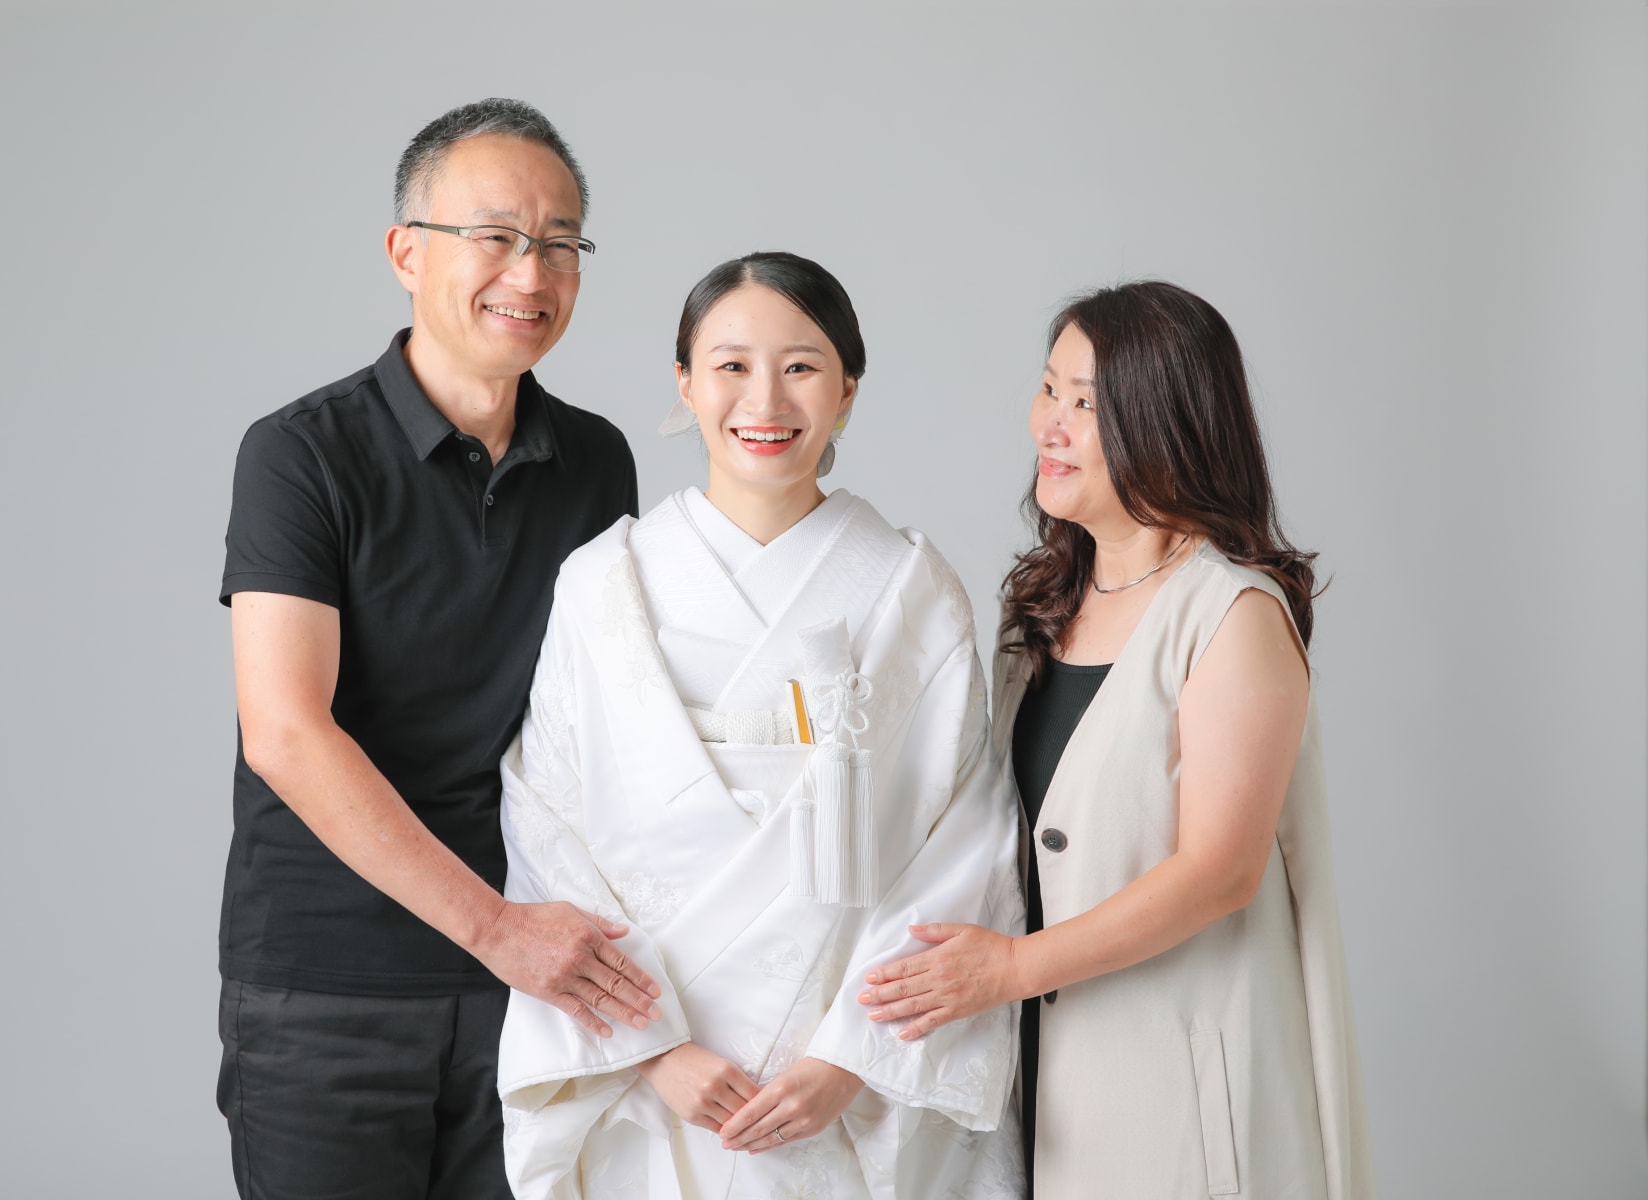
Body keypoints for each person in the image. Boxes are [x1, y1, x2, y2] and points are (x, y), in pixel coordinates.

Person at [494, 252, 1026, 1200]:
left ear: (847, 390)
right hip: (653, 1073)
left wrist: (850, 1060)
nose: (765, 400)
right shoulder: (603, 582)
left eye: (802, 366)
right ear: (684, 383)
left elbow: (966, 839)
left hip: (845, 1082)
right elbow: (548, 828)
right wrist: (652, 1053)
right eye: (732, 365)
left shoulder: (911, 588)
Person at [215, 98, 663, 1200]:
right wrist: (496, 929)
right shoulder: (299, 455)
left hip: (535, 987)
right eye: (496, 235)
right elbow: (285, 732)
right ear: (406, 253)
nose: (532, 271)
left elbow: (608, 720)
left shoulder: (598, 463)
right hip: (330, 988)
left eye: (561, 243)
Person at [858, 280, 1375, 1197]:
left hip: (1182, 1082)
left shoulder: (1233, 614)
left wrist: (1010, 968)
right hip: (1047, 1081)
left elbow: (1220, 869)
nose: (1048, 426)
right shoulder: (1039, 609)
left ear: (1168, 424)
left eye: (1086, 405)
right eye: (1047, 389)